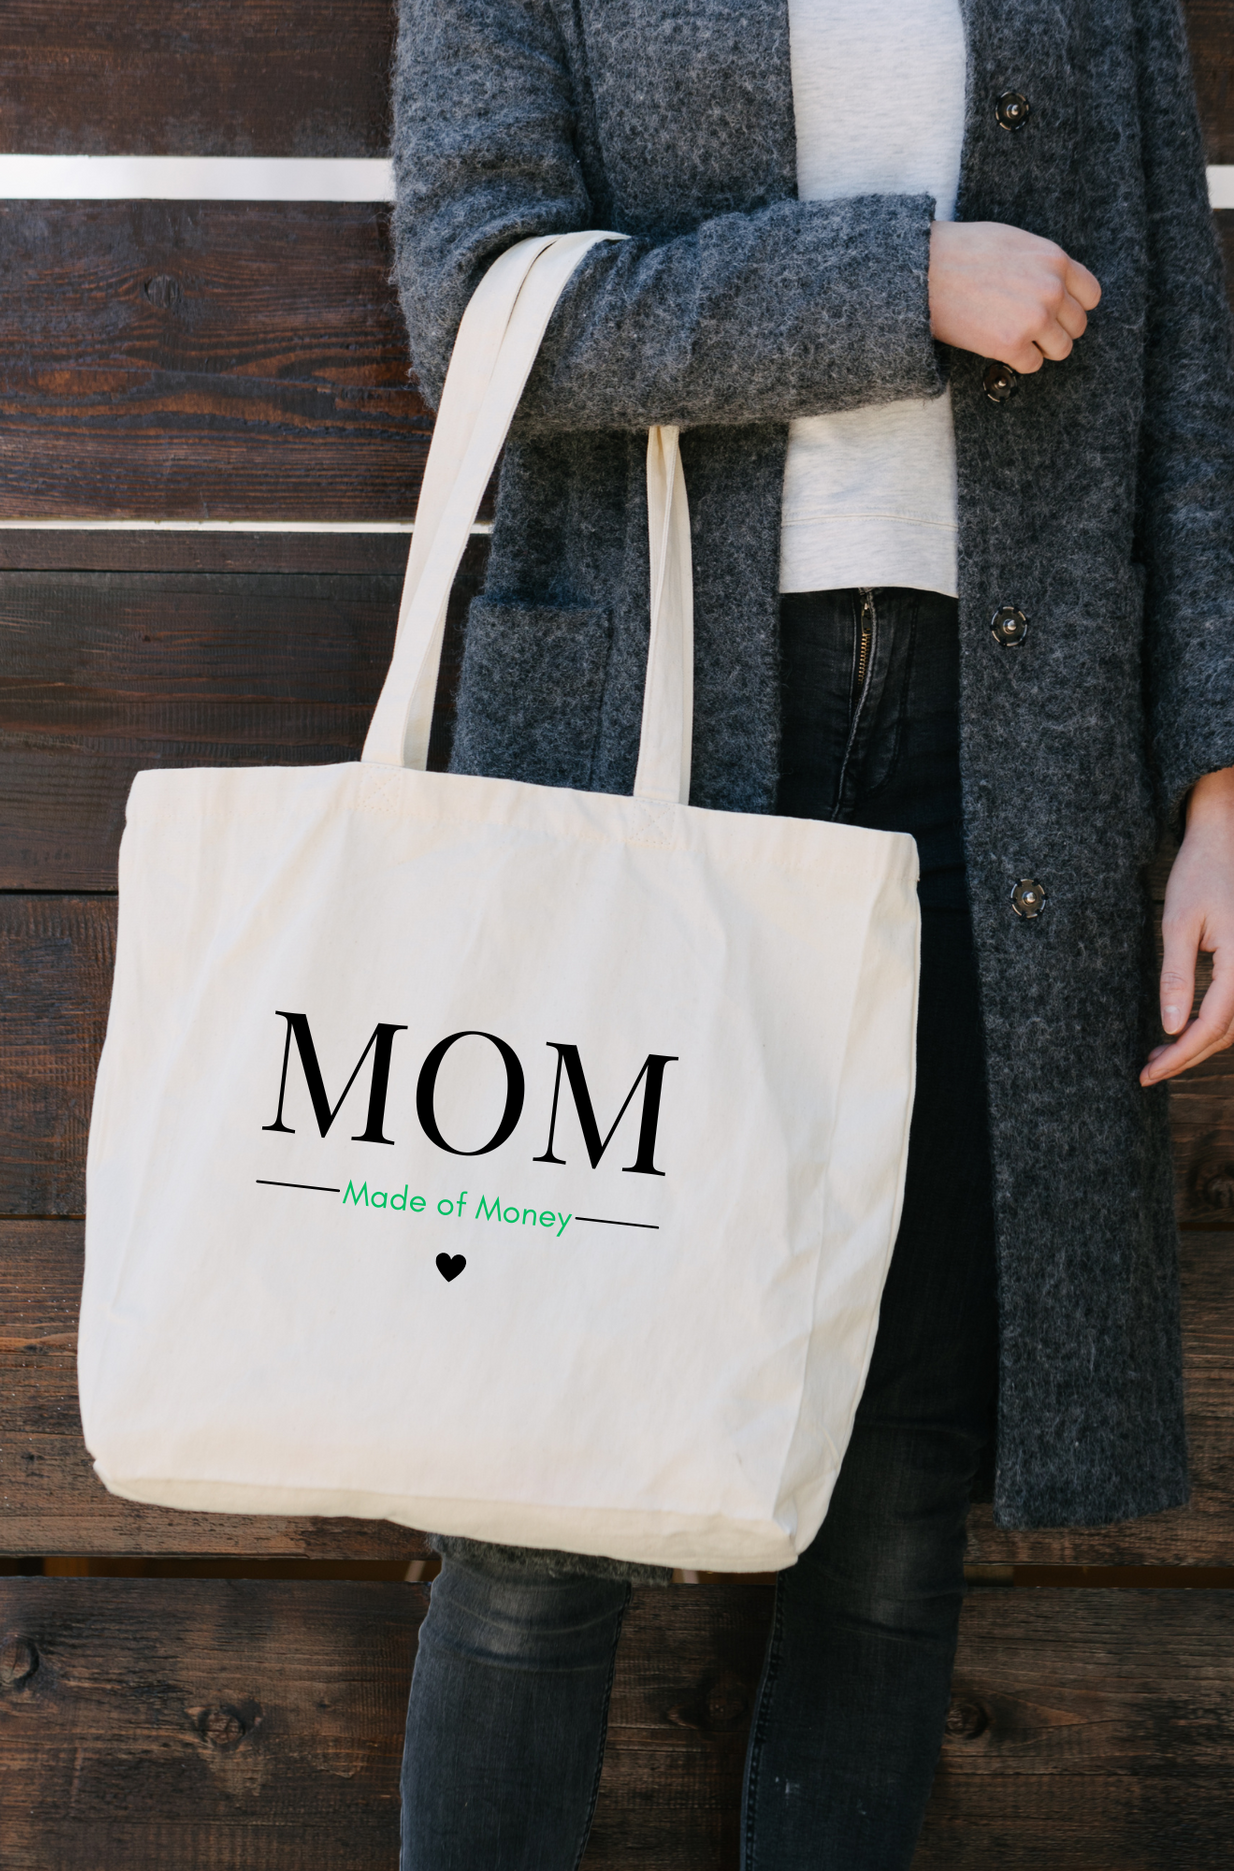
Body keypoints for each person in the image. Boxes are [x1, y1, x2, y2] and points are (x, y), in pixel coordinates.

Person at [387, 0, 1234, 1863]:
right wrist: (894, 280)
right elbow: (481, 302)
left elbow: (1183, 367)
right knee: (542, 1500)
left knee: (899, 1485)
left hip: (1010, 760)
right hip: (644, 743)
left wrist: (1219, 793)